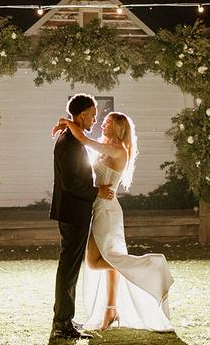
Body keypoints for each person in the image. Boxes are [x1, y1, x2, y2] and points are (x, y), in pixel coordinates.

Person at [53, 111, 174, 332]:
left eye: (108, 122)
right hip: (98, 208)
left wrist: (67, 123)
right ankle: (111, 309)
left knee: (96, 261)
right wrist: (68, 125)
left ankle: (151, 266)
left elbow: (84, 140)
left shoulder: (119, 151)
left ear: (118, 127)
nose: (102, 124)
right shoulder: (105, 147)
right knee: (106, 261)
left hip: (107, 212)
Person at [50, 93, 115, 340]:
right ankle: (62, 323)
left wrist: (67, 123)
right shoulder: (68, 142)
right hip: (72, 211)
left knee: (70, 267)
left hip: (74, 210)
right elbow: (70, 184)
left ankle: (64, 317)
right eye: (93, 113)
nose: (96, 118)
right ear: (82, 114)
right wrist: (97, 190)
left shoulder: (72, 137)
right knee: (68, 268)